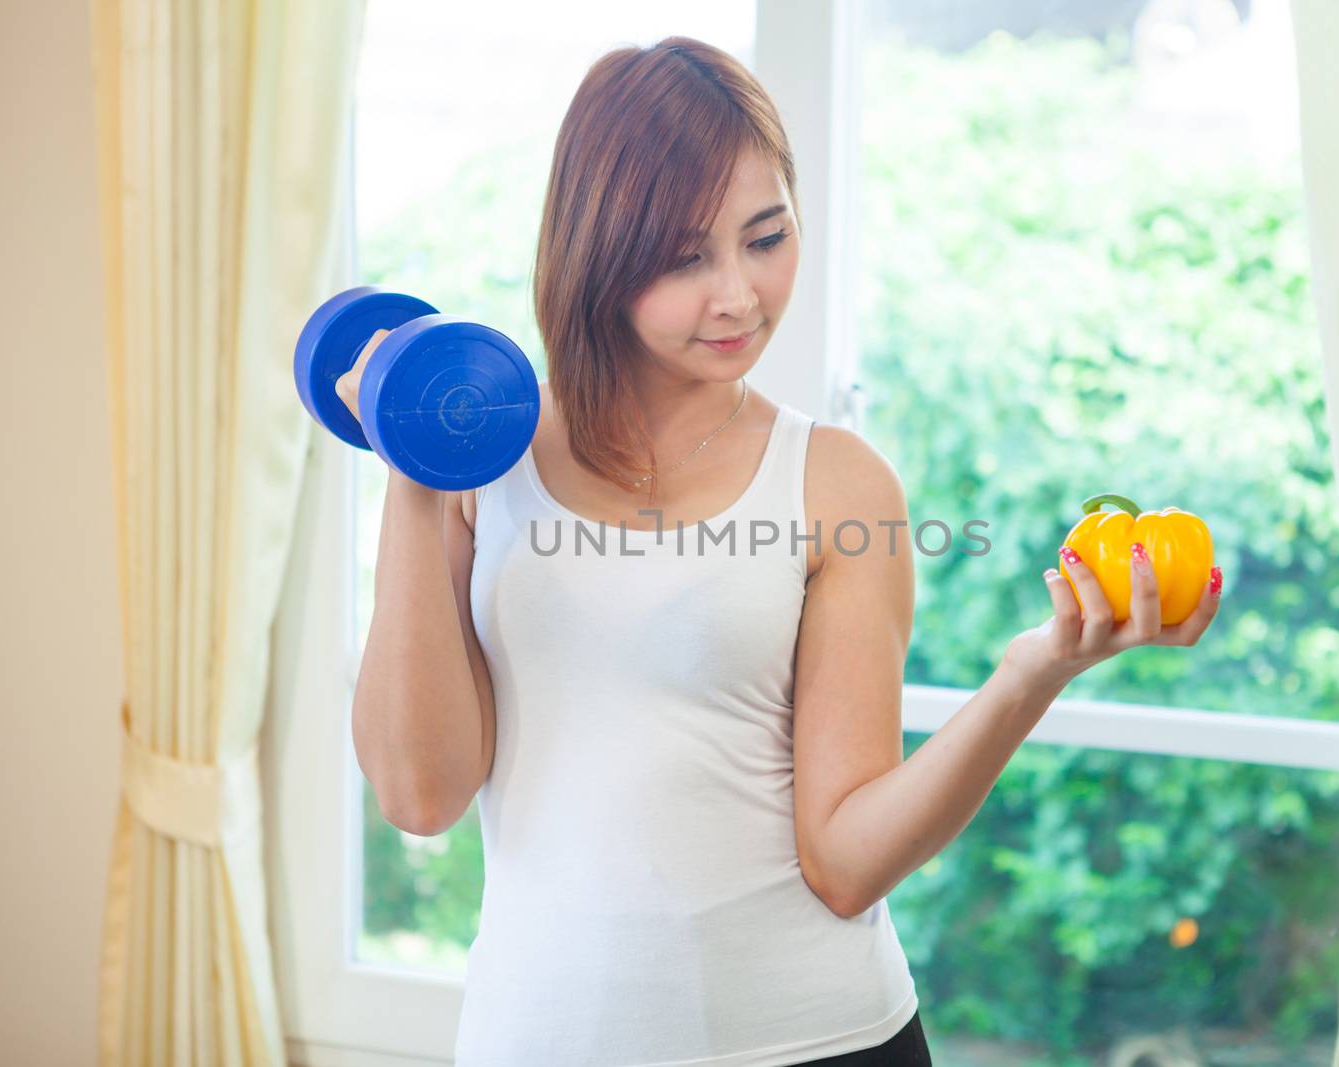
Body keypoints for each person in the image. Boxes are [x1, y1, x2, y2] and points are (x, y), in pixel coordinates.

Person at [347, 36, 1221, 1067]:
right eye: (684, 258)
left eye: (765, 237)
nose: (739, 295)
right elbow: (420, 793)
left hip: (817, 1039)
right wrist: (412, 474)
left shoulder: (840, 484)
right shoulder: (480, 469)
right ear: (598, 255)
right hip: (536, 1038)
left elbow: (845, 861)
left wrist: (1033, 671)